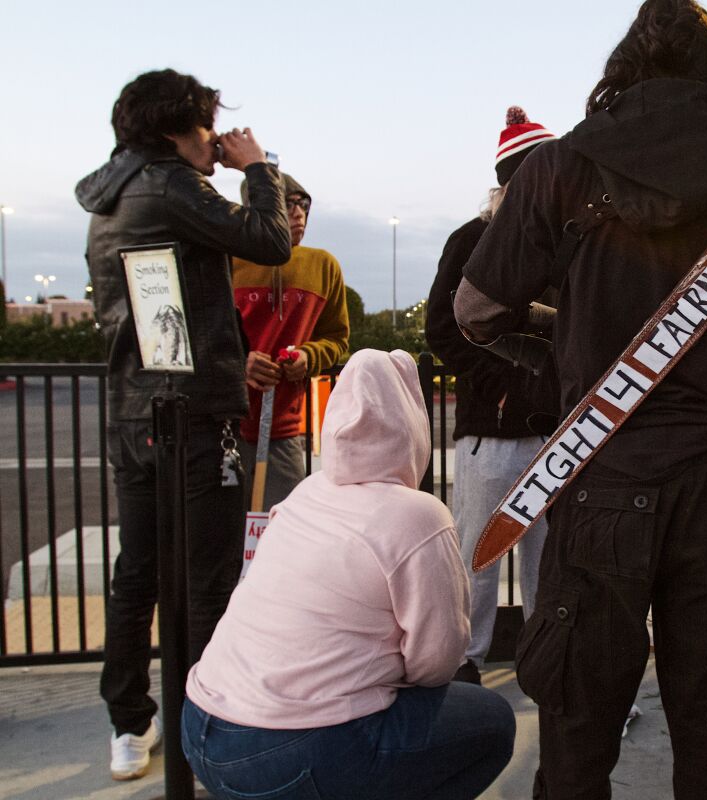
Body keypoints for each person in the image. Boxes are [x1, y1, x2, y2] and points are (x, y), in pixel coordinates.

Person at [454, 2, 707, 796]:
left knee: (576, 737)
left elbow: (474, 314)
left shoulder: (556, 168)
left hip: (596, 479)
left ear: (623, 69)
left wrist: (561, 350)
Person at [75, 68, 291, 781]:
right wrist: (258, 168)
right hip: (192, 416)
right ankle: (201, 724)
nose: (214, 140)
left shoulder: (111, 196)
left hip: (137, 412)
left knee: (138, 572)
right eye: (205, 127)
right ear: (176, 128)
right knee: (207, 578)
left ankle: (129, 726)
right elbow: (269, 238)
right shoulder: (169, 185)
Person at [182, 349, 516, 800]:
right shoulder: (417, 516)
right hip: (288, 752)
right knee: (491, 722)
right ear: (411, 421)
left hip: (200, 727)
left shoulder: (308, 491)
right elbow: (437, 663)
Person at [426, 107, 559, 683]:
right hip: (491, 433)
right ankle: (466, 664)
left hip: (559, 432)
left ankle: (547, 664)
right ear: (512, 183)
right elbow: (440, 328)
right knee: (478, 555)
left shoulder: (567, 245)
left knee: (549, 564)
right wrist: (503, 383)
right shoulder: (471, 239)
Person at [233, 172, 350, 511]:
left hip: (283, 426)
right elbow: (201, 336)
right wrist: (241, 361)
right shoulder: (225, 259)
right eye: (288, 203)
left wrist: (308, 357)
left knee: (283, 532)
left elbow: (337, 338)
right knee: (224, 541)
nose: (299, 213)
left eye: (304, 204)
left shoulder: (322, 265)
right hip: (224, 423)